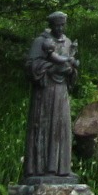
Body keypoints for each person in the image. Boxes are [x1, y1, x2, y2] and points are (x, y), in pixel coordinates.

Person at [23, 11, 79, 181]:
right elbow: (31, 66)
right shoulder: (41, 42)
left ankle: (61, 169)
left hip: (61, 92)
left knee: (61, 127)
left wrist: (71, 71)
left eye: (63, 25)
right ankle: (40, 169)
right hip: (45, 92)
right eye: (57, 25)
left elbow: (72, 66)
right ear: (51, 25)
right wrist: (50, 68)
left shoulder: (68, 42)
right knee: (44, 126)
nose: (60, 28)